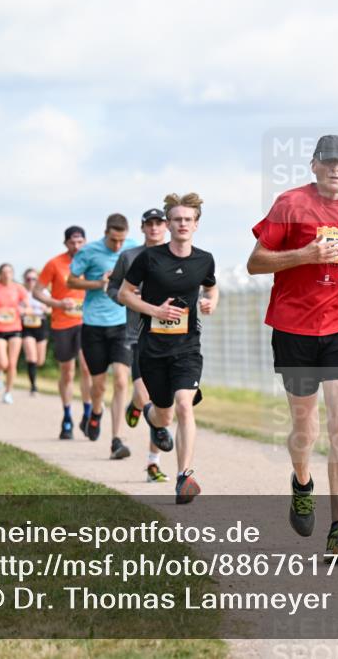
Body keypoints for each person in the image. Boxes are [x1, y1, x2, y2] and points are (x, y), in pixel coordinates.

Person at [246, 134, 338, 563]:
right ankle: (302, 483)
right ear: (312, 165)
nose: (334, 169)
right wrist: (305, 255)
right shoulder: (290, 204)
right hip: (295, 327)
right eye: (327, 162)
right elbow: (255, 262)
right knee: (304, 429)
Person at [119, 193, 218, 504]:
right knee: (163, 416)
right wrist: (154, 310)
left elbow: (211, 286)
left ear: (196, 224)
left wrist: (209, 302)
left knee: (184, 406)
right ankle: (147, 412)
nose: (183, 224)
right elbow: (125, 294)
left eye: (188, 219)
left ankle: (183, 475)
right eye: (177, 219)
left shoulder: (204, 259)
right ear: (169, 224)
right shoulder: (149, 258)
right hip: (153, 348)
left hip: (187, 347)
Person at [68, 214, 139, 458]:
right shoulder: (89, 252)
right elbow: (72, 281)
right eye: (113, 240)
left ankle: (116, 440)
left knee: (121, 380)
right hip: (94, 325)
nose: (118, 245)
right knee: (98, 386)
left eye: (121, 240)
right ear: (106, 233)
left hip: (122, 324)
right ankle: (96, 412)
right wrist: (99, 283)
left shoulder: (133, 248)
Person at [110, 207, 171, 482]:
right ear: (143, 228)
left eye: (160, 223)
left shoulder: (177, 255)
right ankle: (137, 407)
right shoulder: (129, 257)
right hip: (137, 335)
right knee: (145, 396)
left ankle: (153, 464)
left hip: (171, 338)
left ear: (166, 227)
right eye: (150, 224)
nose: (155, 228)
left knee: (162, 402)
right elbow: (112, 288)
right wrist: (128, 295)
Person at [36, 226, 93, 440]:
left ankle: (88, 414)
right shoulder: (54, 263)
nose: (76, 246)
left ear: (85, 242)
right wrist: (57, 303)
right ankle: (67, 415)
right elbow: (37, 291)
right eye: (72, 242)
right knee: (67, 371)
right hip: (62, 323)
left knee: (87, 368)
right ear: (65, 243)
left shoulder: (92, 261)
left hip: (87, 321)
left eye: (80, 242)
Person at [0, 263, 29, 404]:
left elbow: (27, 305)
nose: (7, 274)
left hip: (15, 327)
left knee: (12, 363)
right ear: (0, 274)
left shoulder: (18, 288)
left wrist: (23, 310)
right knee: (4, 362)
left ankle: (8, 392)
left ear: (13, 274)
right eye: (4, 272)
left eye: (9, 272)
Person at [21, 268, 51, 396]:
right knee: (31, 357)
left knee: (40, 360)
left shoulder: (44, 292)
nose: (31, 281)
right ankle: (33, 386)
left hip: (41, 324)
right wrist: (24, 310)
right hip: (27, 325)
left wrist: (46, 308)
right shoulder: (22, 293)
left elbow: (51, 309)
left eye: (34, 279)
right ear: (25, 280)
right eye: (28, 279)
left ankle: (33, 380)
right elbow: (16, 308)